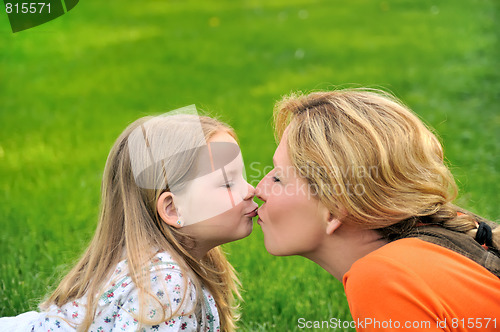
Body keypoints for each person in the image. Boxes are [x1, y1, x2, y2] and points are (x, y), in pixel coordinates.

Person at [255, 89, 500, 331]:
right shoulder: (453, 233)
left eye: (278, 179)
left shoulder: (385, 278)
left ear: (334, 207)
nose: (258, 189)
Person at [0, 109, 258, 331]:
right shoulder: (166, 286)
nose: (251, 190)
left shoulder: (168, 263)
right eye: (227, 183)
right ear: (173, 209)